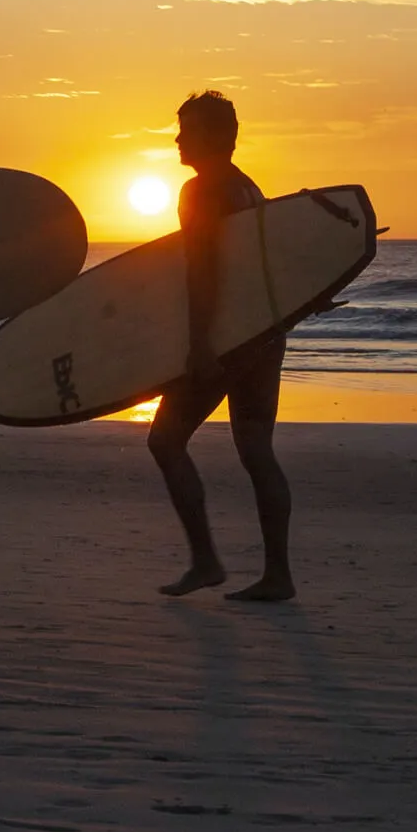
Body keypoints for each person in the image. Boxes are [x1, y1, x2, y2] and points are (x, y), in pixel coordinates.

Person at [147, 91, 297, 602]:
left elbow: (203, 271)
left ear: (214, 136)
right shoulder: (248, 188)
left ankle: (206, 560)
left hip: (228, 340)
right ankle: (278, 575)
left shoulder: (202, 190)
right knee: (257, 452)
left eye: (187, 130)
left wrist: (199, 344)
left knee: (164, 441)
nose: (177, 139)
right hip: (265, 335)